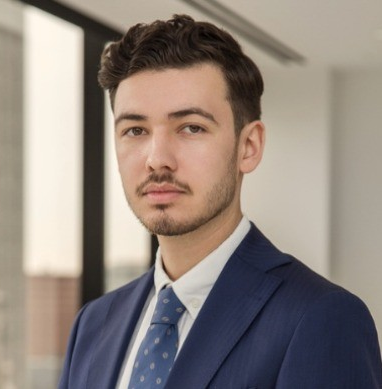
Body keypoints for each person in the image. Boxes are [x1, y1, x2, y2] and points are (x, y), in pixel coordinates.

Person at [59, 14, 382, 389]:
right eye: (135, 130)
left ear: (249, 146)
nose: (157, 158)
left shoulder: (320, 318)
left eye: (191, 127)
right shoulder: (93, 325)